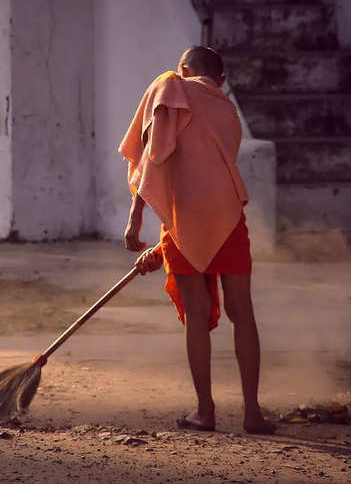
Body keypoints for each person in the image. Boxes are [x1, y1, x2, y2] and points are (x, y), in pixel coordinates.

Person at [118, 46, 275, 434]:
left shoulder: (169, 87)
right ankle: (253, 413)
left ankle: (205, 412)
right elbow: (209, 171)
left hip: (184, 217)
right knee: (244, 313)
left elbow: (156, 155)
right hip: (227, 215)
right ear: (221, 81)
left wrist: (136, 217)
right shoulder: (228, 109)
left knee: (196, 316)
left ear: (183, 68)